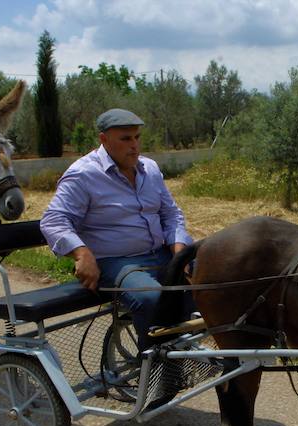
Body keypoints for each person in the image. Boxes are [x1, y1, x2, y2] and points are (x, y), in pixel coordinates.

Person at [40, 108, 193, 350]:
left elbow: (171, 214)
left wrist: (180, 251)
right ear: (104, 139)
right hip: (117, 262)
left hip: (161, 253)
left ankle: (190, 349)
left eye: (137, 137)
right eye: (125, 139)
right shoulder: (84, 175)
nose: (134, 145)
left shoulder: (150, 169)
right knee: (151, 298)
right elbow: (54, 220)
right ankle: (158, 373)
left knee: (213, 278)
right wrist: (81, 253)